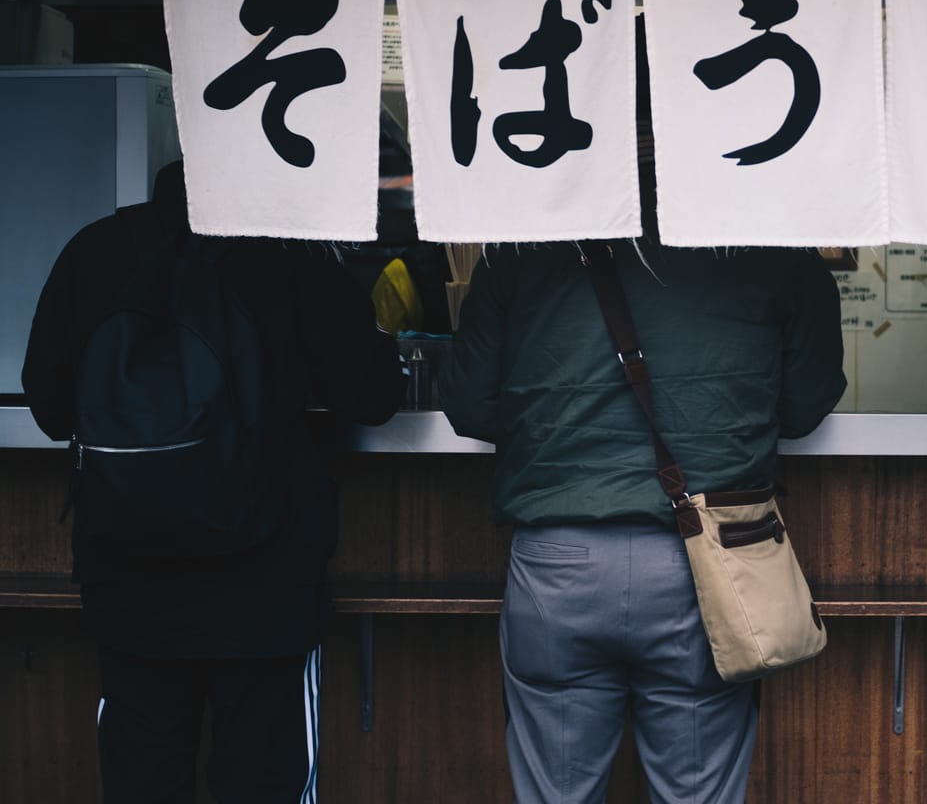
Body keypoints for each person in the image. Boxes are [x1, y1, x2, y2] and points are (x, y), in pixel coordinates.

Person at [440, 178, 846, 803]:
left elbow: (469, 408)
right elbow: (804, 406)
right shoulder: (773, 248)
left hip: (558, 563)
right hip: (706, 562)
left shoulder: (520, 248)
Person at [23, 159, 406, 804]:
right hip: (264, 590)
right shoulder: (291, 261)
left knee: (141, 783)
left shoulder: (93, 253)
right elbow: (373, 395)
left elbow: (48, 406)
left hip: (130, 586)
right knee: (264, 783)